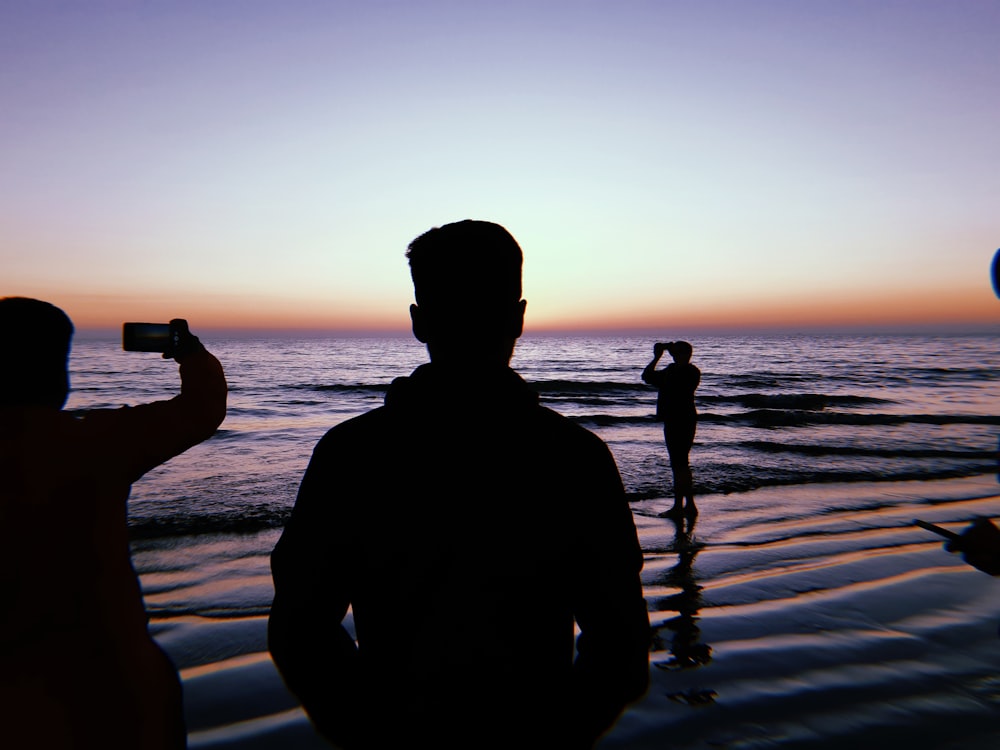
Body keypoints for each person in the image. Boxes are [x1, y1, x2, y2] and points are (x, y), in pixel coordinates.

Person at [269, 220, 650, 749]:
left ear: (419, 322)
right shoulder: (574, 457)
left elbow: (300, 631)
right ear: (517, 319)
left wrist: (370, 734)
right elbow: (621, 650)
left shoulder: (352, 454)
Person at [0, 298, 227, 749]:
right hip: (112, 685)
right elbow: (203, 408)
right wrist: (191, 353)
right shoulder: (90, 442)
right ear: (56, 373)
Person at [642, 340, 700, 517]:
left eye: (676, 352)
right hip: (677, 420)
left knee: (679, 464)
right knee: (681, 463)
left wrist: (662, 354)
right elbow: (647, 376)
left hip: (681, 421)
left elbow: (653, 378)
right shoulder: (673, 371)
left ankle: (680, 506)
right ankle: (688, 505)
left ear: (683, 353)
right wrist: (657, 357)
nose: (672, 354)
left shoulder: (689, 372)